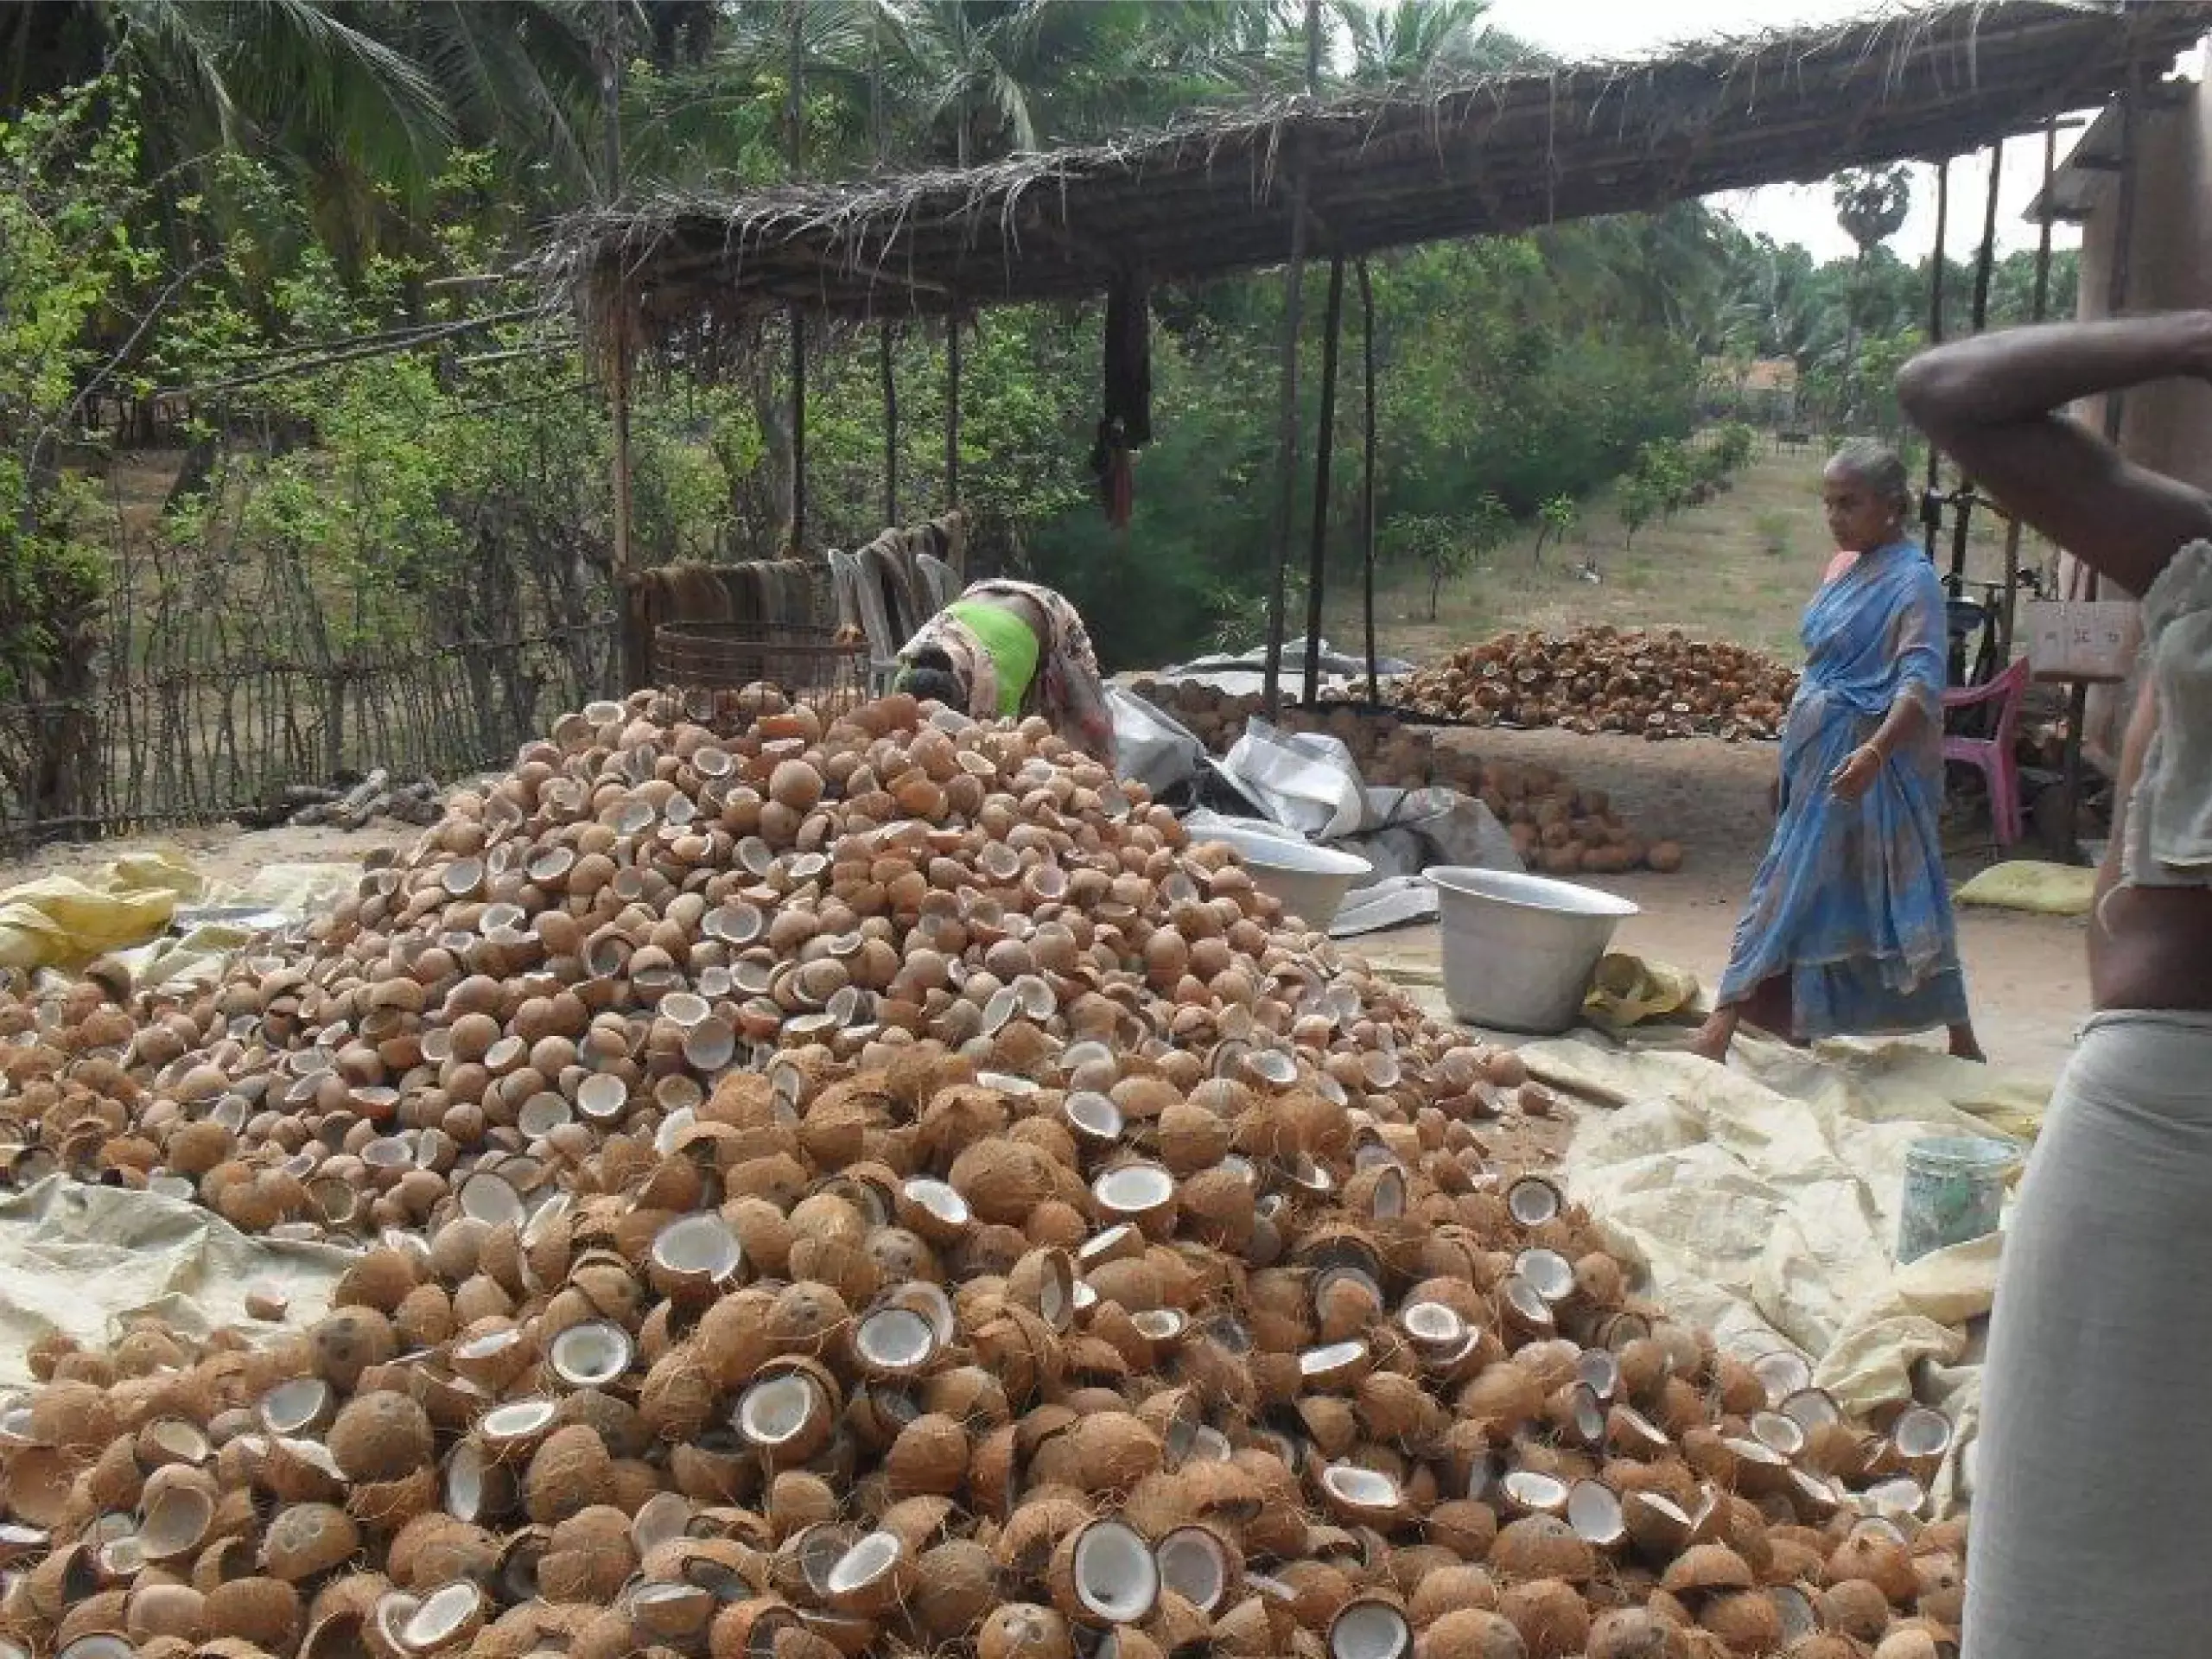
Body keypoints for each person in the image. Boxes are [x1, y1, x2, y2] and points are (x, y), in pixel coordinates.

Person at [1897, 315, 2212, 1659]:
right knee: (2077, 1568)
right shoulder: (2192, 545)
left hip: (2163, 1111)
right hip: (2166, 1102)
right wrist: (2197, 332)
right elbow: (1949, 396)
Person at [1688, 440, 1984, 1065]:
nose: (1835, 517)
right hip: (1818, 758)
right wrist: (1787, 765)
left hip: (1870, 766)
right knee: (1825, 893)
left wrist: (1875, 753)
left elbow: (1920, 684)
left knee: (1822, 886)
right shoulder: (1843, 569)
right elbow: (1818, 669)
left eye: (1849, 503)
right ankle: (1800, 1019)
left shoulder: (1914, 581)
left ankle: (1721, 1024)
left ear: (1892, 508)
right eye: (1828, 504)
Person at [894, 578, 1116, 765]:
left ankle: (1111, 773)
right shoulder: (907, 675)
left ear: (963, 700)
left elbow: (1006, 745)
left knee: (1091, 720)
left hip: (1049, 608)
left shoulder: (995, 689)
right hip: (980, 593)